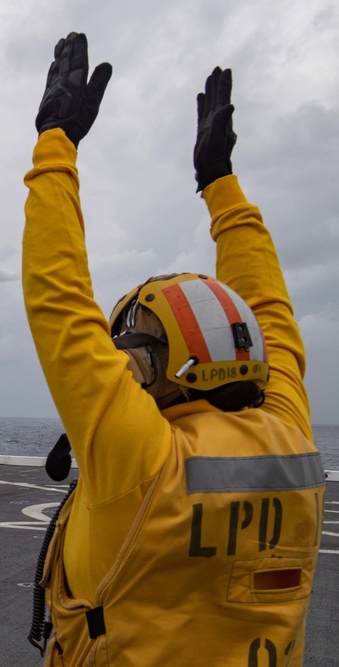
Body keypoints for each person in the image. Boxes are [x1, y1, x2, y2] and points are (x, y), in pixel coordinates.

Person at [22, 32, 325, 665]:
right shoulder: (288, 433)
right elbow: (272, 312)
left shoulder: (141, 459)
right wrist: (221, 183)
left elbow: (60, 302)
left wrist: (58, 143)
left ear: (153, 364)